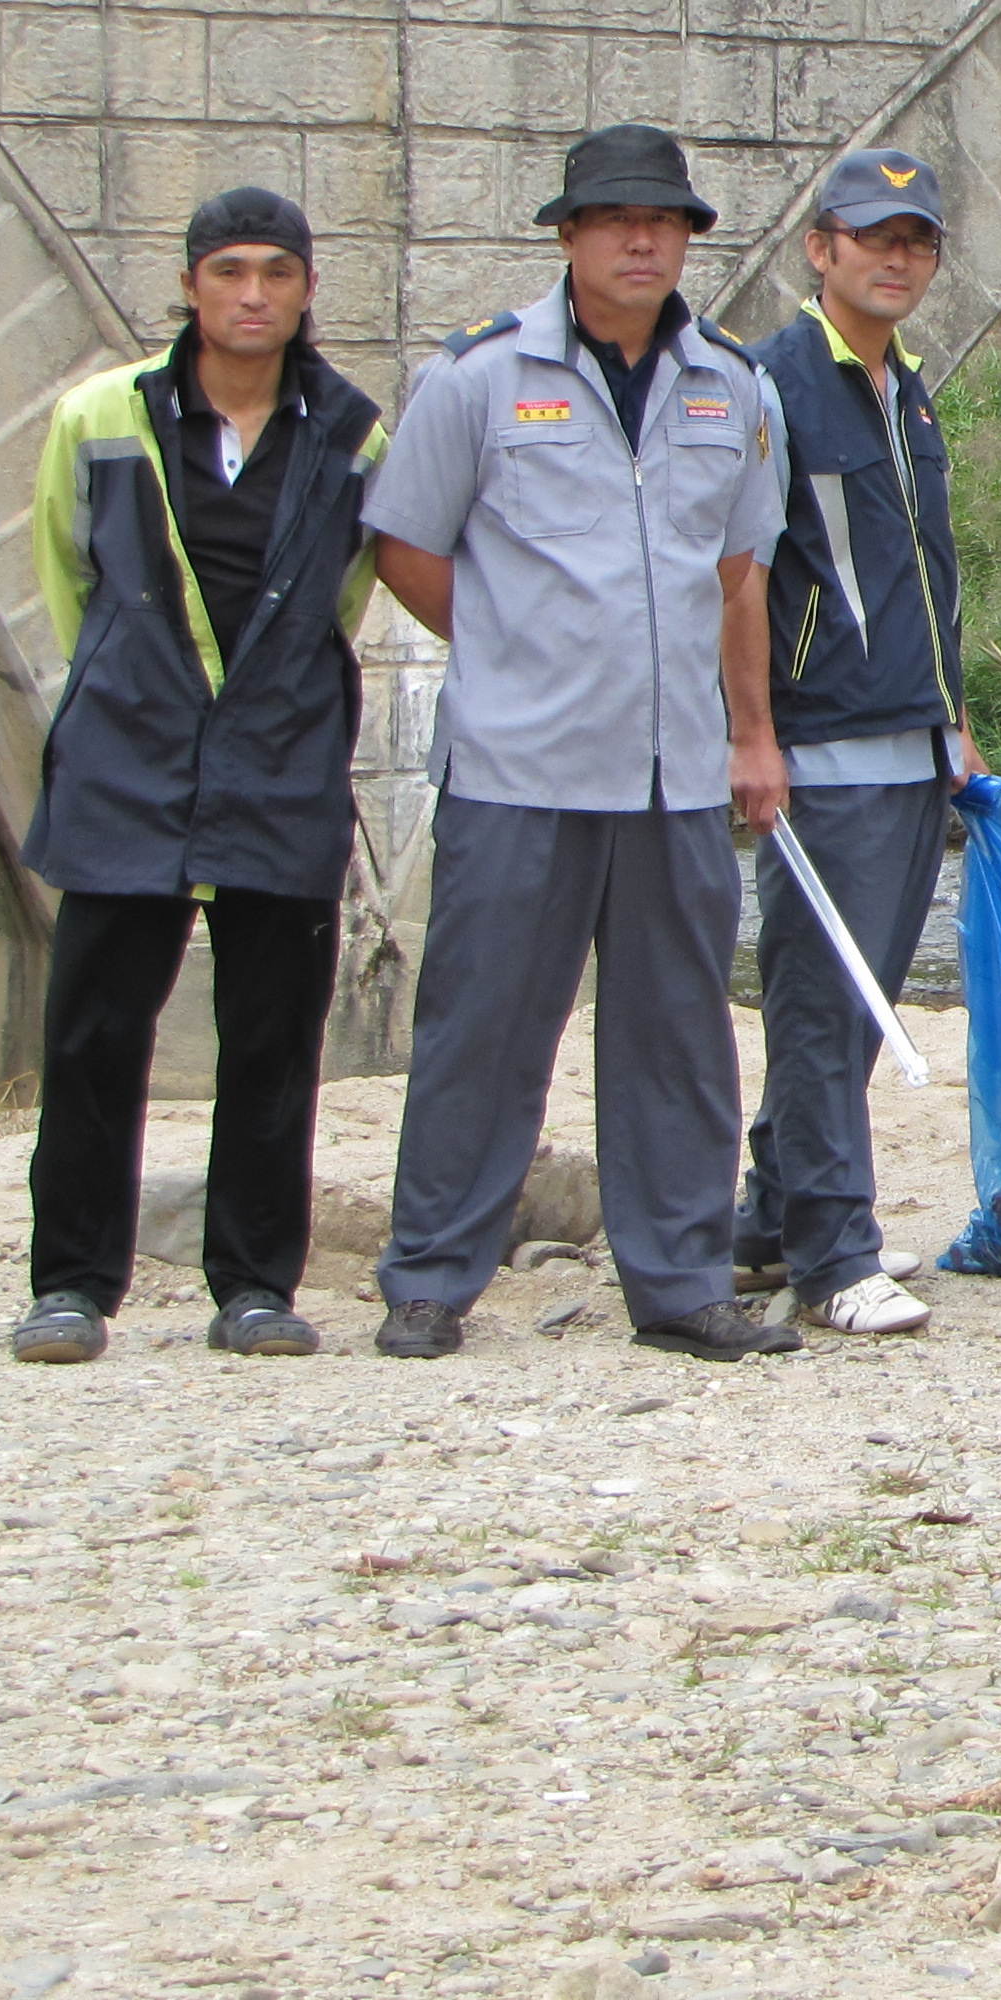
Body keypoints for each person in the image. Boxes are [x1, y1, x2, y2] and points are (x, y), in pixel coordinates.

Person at [362, 124, 793, 1362]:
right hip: (520, 768)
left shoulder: (730, 386)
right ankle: (431, 1279)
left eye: (664, 222)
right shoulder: (479, 378)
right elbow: (403, 544)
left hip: (671, 773)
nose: (641, 241)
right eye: (614, 220)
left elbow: (739, 570)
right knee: (483, 1029)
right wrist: (510, 645)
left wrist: (751, 734)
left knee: (677, 1037)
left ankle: (682, 1283)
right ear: (568, 235)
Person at [6, 188, 389, 1366]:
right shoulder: (100, 415)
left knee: (273, 1038)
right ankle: (71, 1285)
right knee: (93, 1032)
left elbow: (343, 598)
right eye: (229, 272)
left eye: (276, 272)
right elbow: (69, 577)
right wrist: (138, 686)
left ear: (308, 289)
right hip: (129, 762)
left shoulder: (352, 434)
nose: (252, 295)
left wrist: (260, 702)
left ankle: (256, 1285)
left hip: (280, 764)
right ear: (190, 286)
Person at [740, 148, 966, 1340]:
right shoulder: (773, 385)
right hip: (822, 744)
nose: (897, 258)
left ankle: (766, 1222)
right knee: (823, 1008)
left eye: (916, 240)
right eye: (875, 236)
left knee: (860, 998)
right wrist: (752, 735)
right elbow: (739, 575)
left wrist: (953, 719)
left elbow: (929, 574)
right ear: (819, 248)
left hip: (910, 742)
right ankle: (833, 1256)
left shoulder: (908, 388)